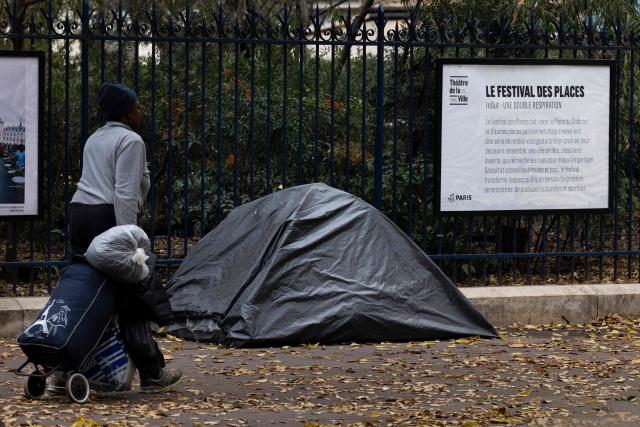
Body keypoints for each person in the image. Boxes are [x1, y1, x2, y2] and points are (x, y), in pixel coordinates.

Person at [62, 82, 182, 393]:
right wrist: (131, 241)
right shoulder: (131, 140)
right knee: (132, 293)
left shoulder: (95, 138)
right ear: (127, 112)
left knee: (86, 291)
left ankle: (64, 367)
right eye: (137, 107)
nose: (141, 112)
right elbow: (125, 194)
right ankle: (153, 372)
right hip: (107, 217)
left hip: (80, 215)